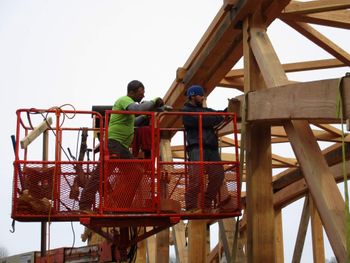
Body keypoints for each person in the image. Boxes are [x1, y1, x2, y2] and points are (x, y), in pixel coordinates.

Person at [79, 80, 164, 211]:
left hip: (121, 147)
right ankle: (84, 205)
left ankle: (120, 203)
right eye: (141, 93)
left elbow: (134, 121)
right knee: (100, 175)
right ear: (132, 92)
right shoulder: (124, 100)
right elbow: (138, 109)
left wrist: (149, 113)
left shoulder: (127, 108)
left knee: (136, 172)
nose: (143, 96)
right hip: (114, 144)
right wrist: (154, 101)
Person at [182, 85, 226, 212]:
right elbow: (205, 119)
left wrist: (223, 113)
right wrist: (214, 118)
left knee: (218, 175)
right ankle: (191, 206)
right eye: (201, 95)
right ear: (192, 96)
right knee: (196, 178)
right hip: (196, 147)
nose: (203, 98)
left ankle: (207, 202)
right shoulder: (186, 111)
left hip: (211, 147)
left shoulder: (205, 111)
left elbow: (217, 115)